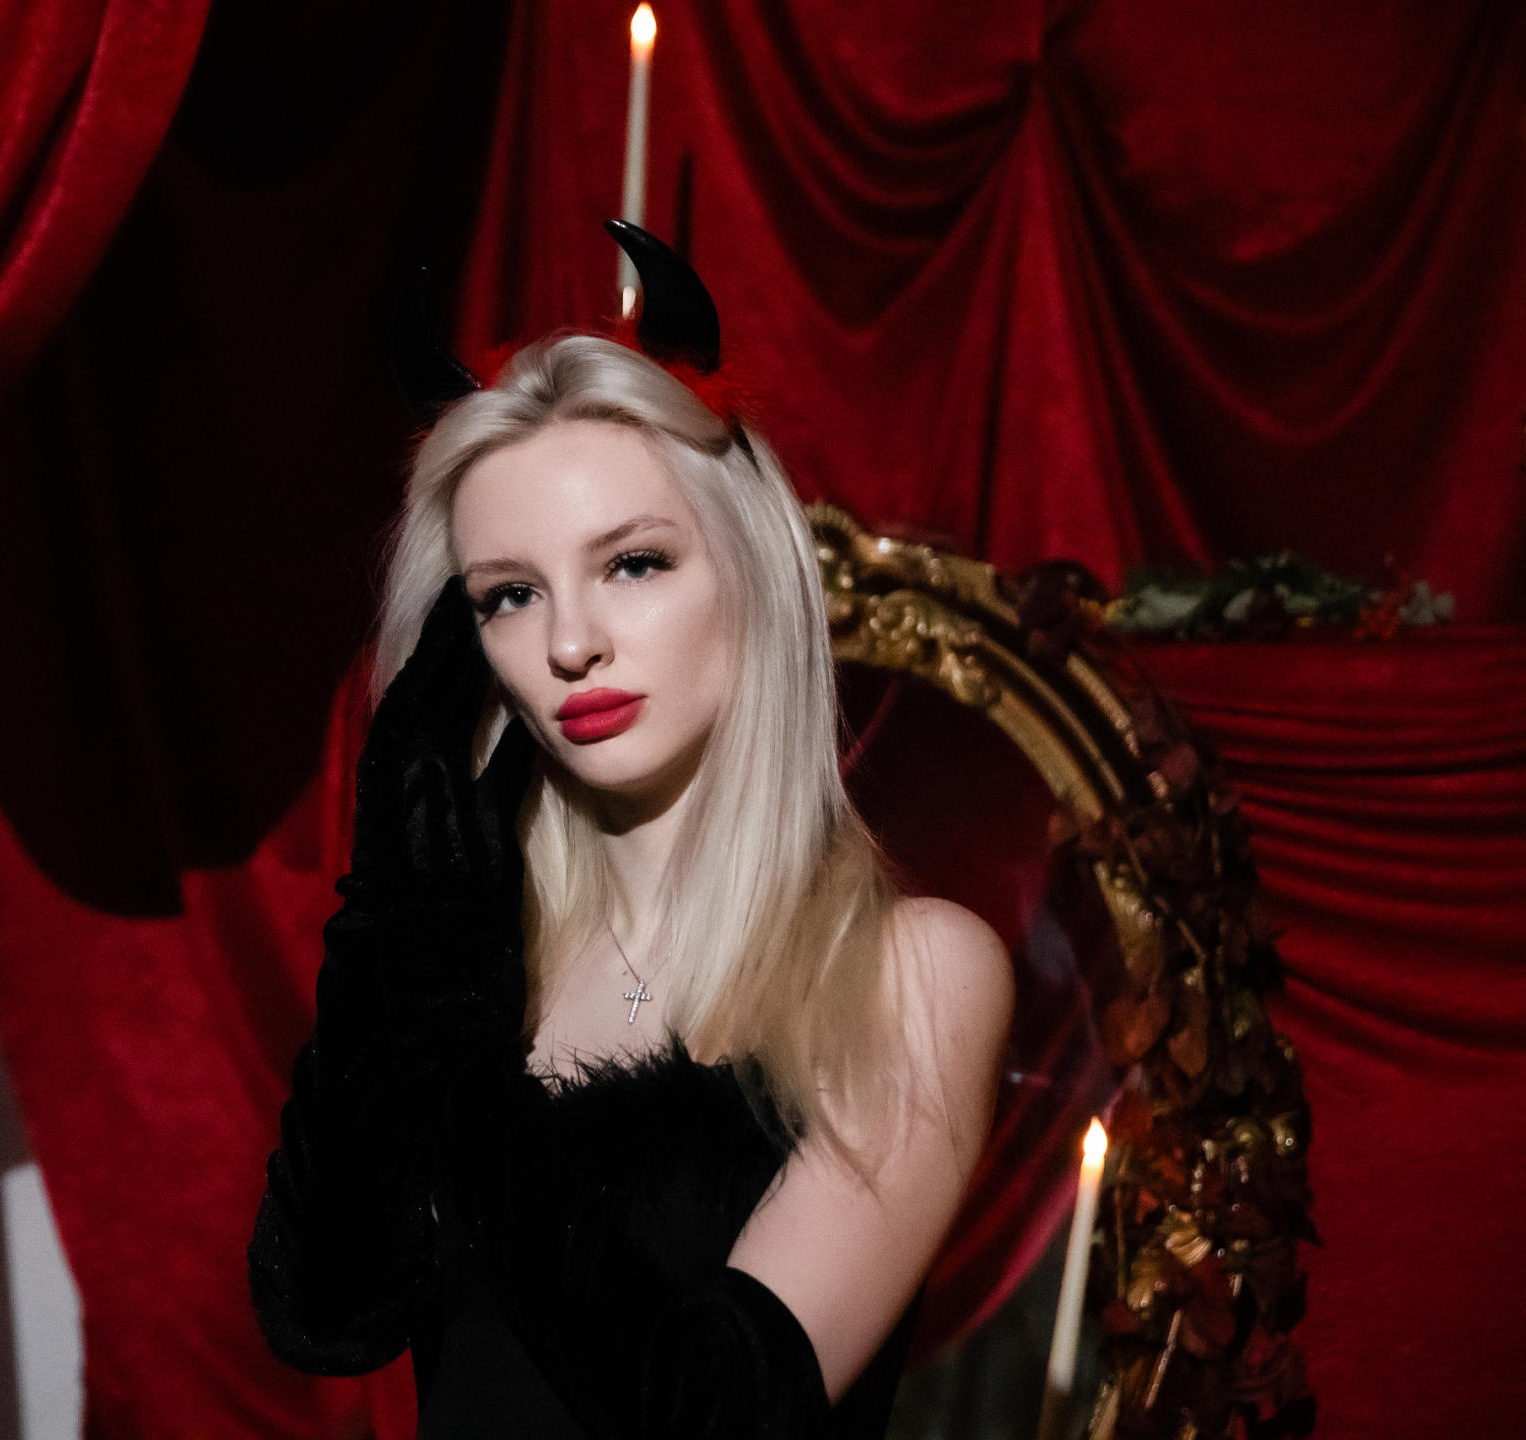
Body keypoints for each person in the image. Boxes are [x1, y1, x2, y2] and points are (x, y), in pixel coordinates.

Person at [249, 223, 1014, 1440]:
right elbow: (326, 1310)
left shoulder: (909, 975)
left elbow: (713, 1416)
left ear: (749, 574)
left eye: (635, 564)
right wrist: (397, 923)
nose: (569, 644)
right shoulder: (475, 957)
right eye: (510, 594)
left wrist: (459, 1057)